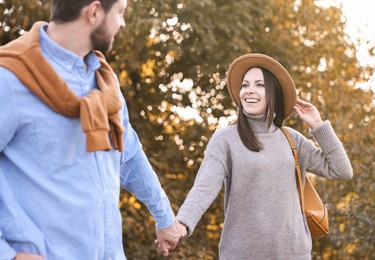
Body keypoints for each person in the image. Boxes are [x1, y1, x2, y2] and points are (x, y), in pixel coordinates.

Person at [0, 0, 184, 259]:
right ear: (94, 11)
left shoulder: (105, 83)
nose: (122, 23)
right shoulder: (9, 79)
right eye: (119, 12)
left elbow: (129, 156)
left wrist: (165, 218)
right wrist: (8, 255)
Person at [172, 53, 353, 259]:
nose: (249, 90)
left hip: (294, 254)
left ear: (273, 93)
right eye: (245, 85)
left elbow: (342, 171)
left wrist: (319, 126)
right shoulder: (225, 139)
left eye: (259, 85)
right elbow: (203, 189)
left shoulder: (293, 139)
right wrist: (182, 224)